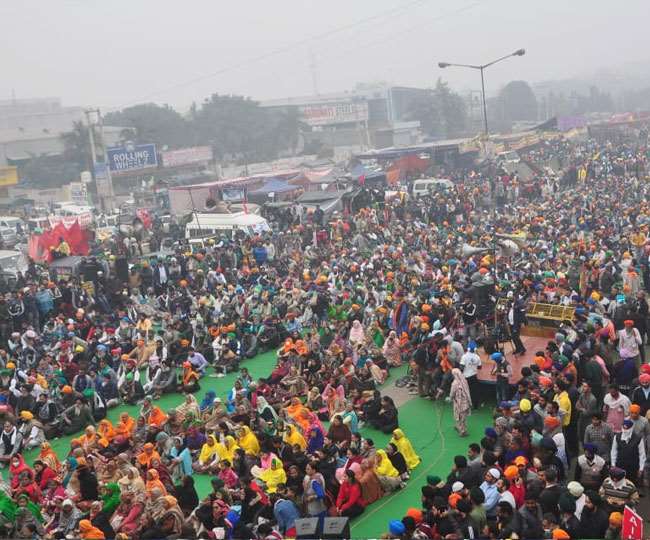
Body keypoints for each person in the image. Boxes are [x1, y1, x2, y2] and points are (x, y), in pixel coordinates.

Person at [449, 367, 472, 437]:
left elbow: (452, 393)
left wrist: (450, 398)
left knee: (459, 416)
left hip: (458, 402)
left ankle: (462, 431)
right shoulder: (464, 380)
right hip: (465, 401)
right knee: (462, 416)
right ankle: (459, 427)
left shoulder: (455, 383)